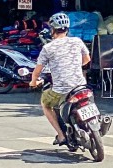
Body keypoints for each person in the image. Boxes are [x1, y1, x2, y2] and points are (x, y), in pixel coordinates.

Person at [29, 12, 90, 145]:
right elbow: (87, 60)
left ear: (52, 29)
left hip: (62, 91)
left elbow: (37, 72)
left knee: (45, 103)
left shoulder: (48, 48)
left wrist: (33, 82)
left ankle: (61, 135)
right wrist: (73, 66)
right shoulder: (77, 41)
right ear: (67, 29)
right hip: (81, 86)